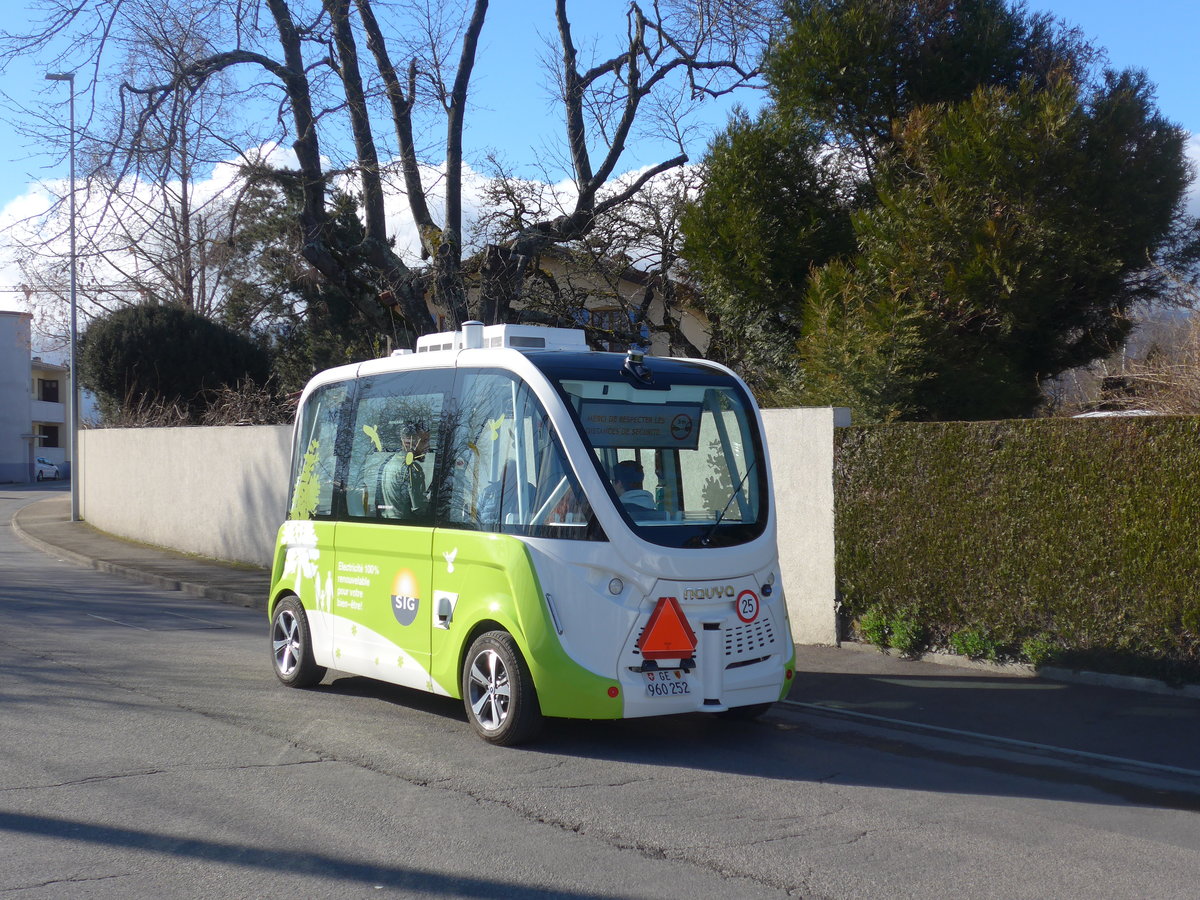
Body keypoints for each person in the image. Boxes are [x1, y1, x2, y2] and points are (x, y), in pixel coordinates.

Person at [379, 420, 430, 519]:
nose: (428, 446)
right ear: (408, 442)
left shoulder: (389, 463)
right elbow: (419, 509)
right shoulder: (411, 468)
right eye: (424, 441)